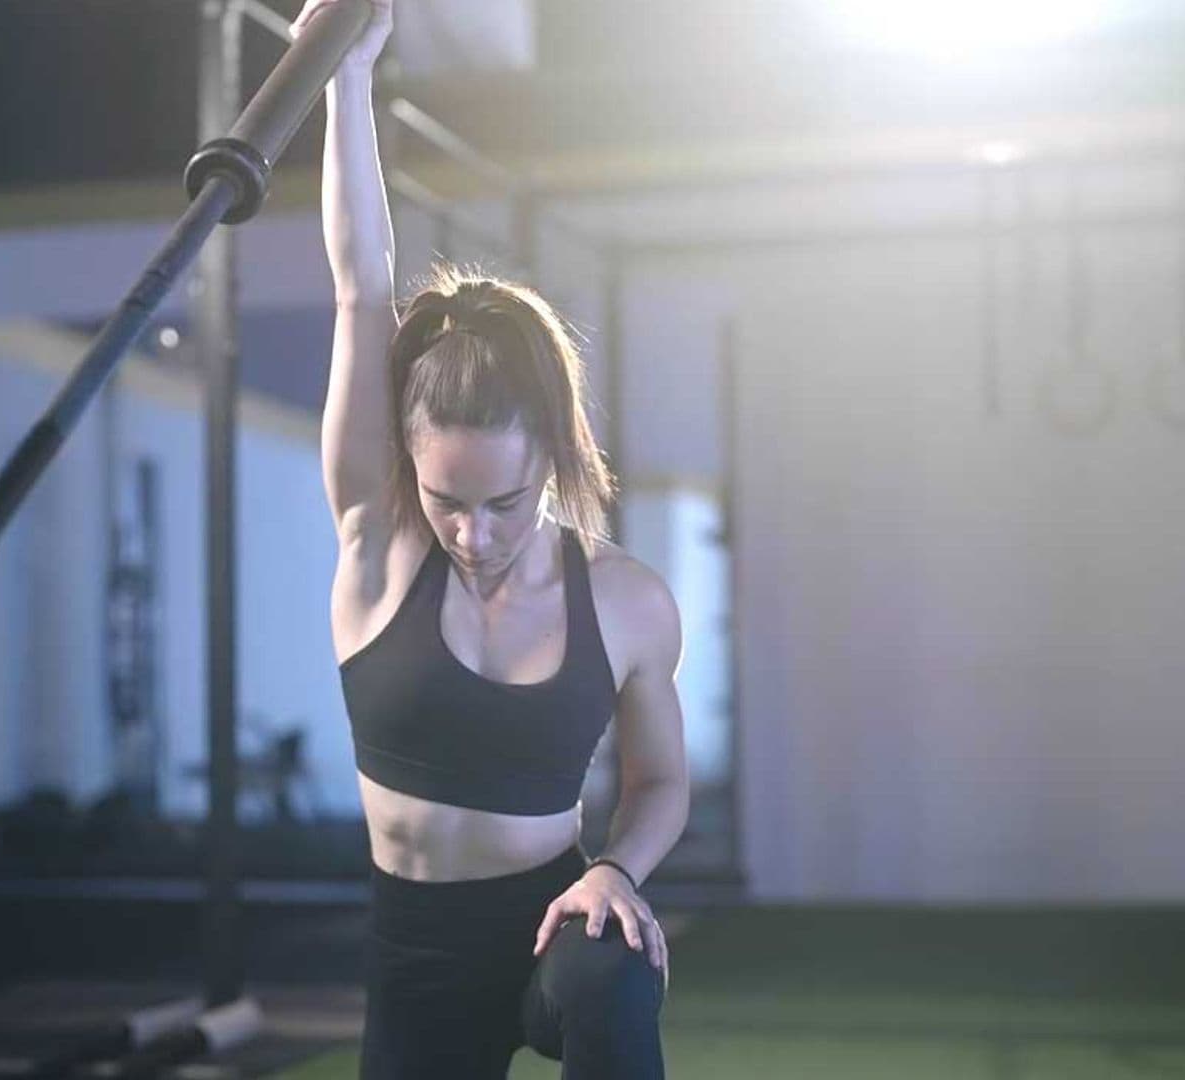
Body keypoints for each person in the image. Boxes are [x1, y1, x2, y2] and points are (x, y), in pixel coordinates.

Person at [294, 0, 691, 1075]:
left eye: (505, 504)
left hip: (553, 924)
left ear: (553, 460)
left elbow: (659, 783)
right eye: (445, 499)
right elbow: (360, 288)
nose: (472, 532)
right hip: (414, 956)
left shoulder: (626, 599)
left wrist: (617, 872)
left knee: (612, 971)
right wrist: (345, 77)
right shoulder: (378, 543)